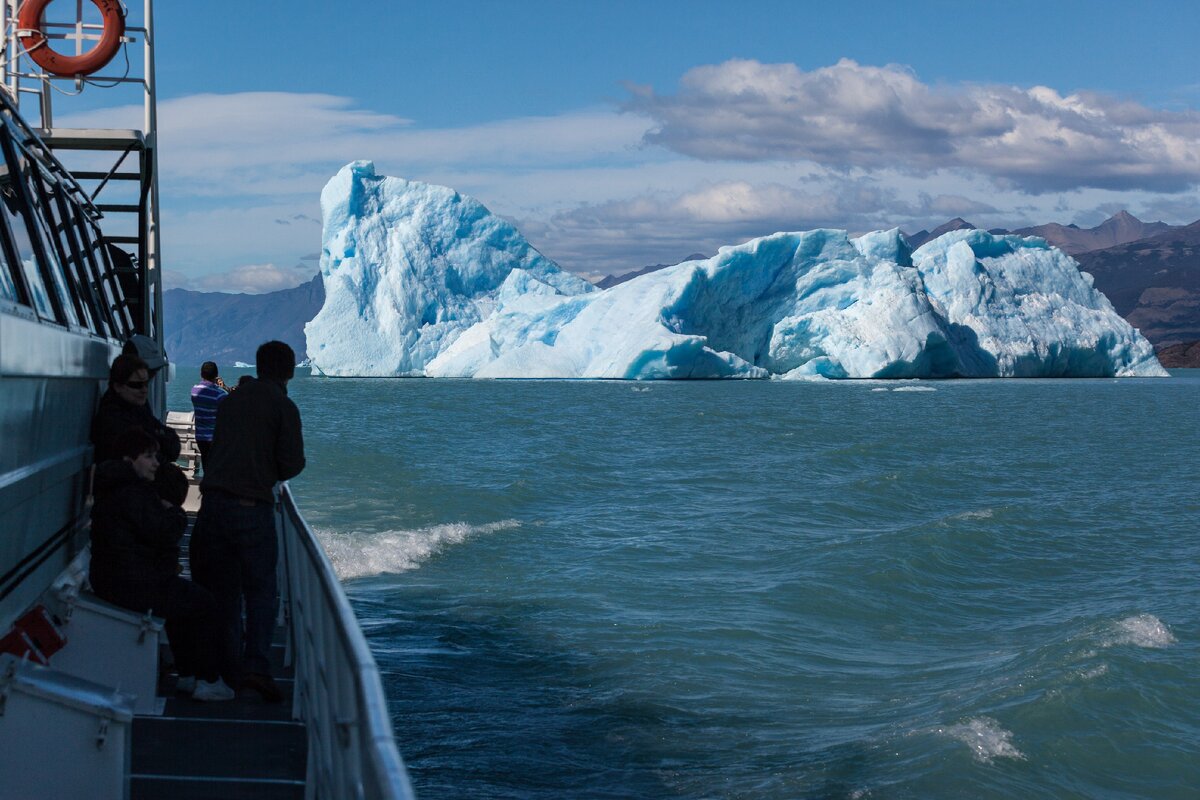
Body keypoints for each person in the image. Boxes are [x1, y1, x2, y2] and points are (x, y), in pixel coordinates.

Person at [190, 341, 305, 702]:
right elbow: (291, 464)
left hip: (213, 505)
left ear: (257, 366)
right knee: (260, 591)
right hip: (251, 507)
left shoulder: (231, 402)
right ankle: (256, 669)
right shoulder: (283, 407)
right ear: (288, 371)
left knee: (221, 591)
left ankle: (223, 669)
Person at [89, 428, 233, 701]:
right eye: (148, 456)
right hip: (130, 582)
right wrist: (176, 512)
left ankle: (190, 675)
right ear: (129, 460)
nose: (156, 462)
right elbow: (164, 531)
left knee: (182, 603)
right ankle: (208, 680)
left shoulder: (116, 487)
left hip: (115, 577)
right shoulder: (131, 493)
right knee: (205, 605)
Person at [92, 353, 181, 465]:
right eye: (136, 385)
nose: (144, 390)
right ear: (118, 386)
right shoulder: (111, 419)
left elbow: (172, 447)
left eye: (146, 384)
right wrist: (159, 436)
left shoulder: (139, 408)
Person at [189, 362, 229, 476]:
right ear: (216, 375)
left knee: (206, 466)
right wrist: (223, 387)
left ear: (201, 374)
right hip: (214, 439)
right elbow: (230, 406)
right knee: (217, 469)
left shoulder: (194, 390)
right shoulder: (220, 395)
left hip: (200, 437)